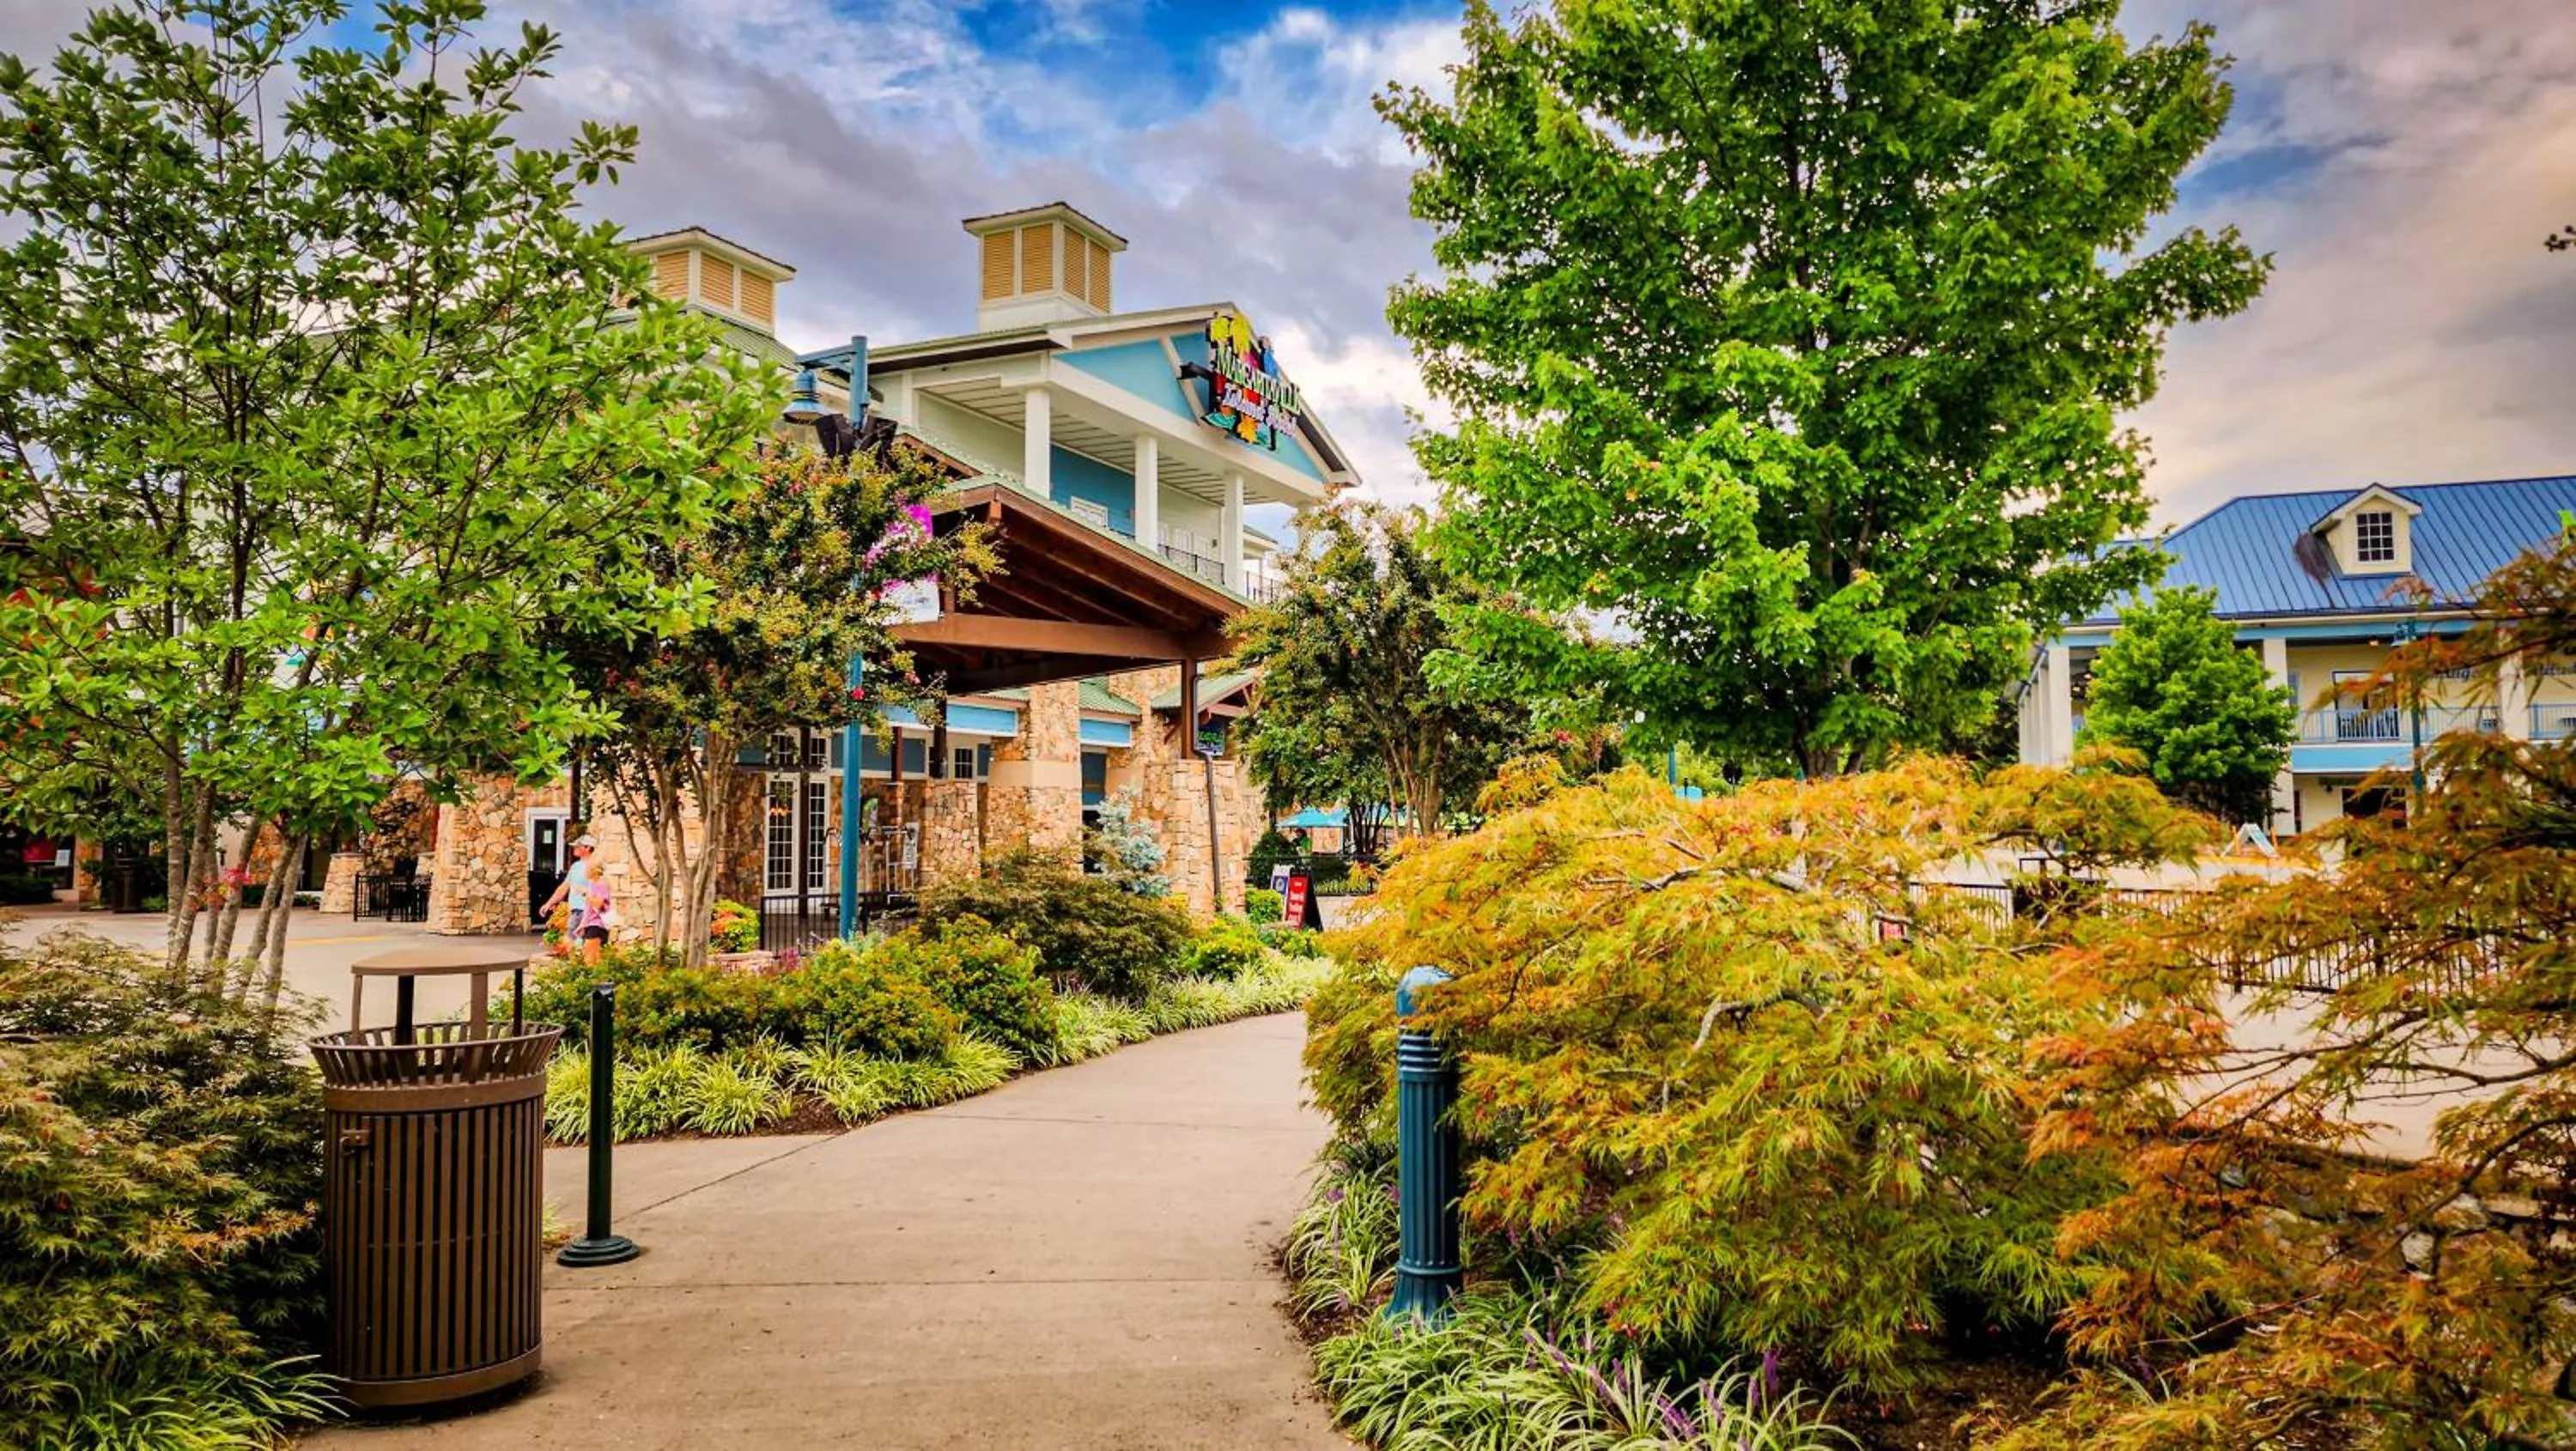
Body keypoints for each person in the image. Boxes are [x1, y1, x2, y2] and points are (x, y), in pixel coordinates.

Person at [535, 833, 595, 932]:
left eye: (577, 846)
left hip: (586, 912)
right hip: (575, 911)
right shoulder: (576, 866)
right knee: (574, 943)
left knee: (572, 941)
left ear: (587, 848)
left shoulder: (594, 866)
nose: (574, 848)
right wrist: (548, 904)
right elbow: (564, 887)